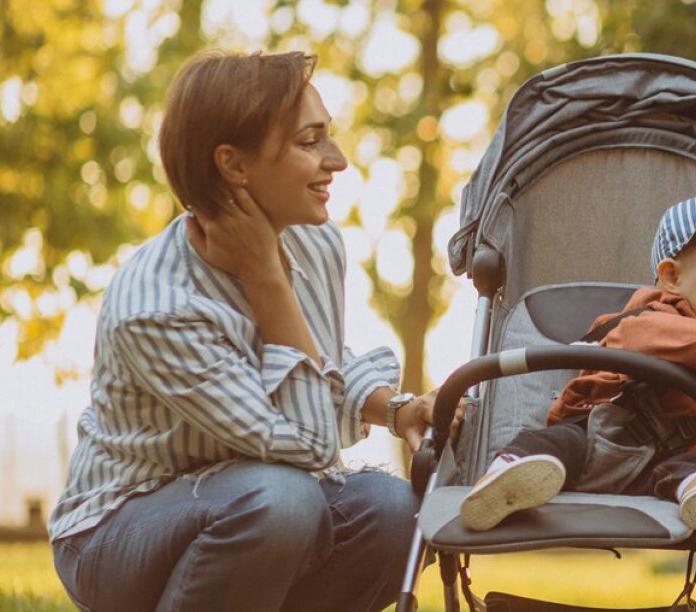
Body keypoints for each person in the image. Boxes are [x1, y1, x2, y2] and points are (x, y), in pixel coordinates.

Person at [48, 50, 439, 612]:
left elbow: (318, 363)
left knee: (394, 511)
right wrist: (267, 281)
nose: (340, 160)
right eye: (310, 142)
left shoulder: (314, 241)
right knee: (283, 501)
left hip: (251, 499)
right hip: (117, 532)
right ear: (233, 165)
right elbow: (306, 447)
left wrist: (397, 410)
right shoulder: (157, 309)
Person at [460, 189, 696, 532]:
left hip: (655, 467)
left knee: (686, 467)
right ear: (672, 277)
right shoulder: (648, 322)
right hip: (595, 439)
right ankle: (505, 477)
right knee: (550, 444)